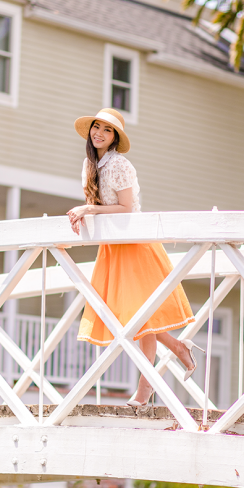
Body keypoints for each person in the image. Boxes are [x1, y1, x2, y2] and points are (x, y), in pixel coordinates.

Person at [67, 107, 202, 406]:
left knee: (140, 319)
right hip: (114, 247)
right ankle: (179, 348)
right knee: (133, 318)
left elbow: (127, 208)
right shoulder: (90, 165)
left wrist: (88, 209)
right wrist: (84, 213)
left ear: (115, 137)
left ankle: (145, 390)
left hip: (135, 245)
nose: (99, 133)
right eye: (96, 127)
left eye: (107, 129)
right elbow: (100, 205)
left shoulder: (120, 165)